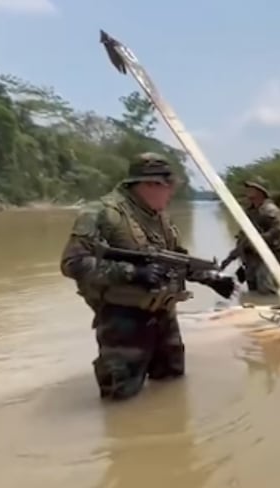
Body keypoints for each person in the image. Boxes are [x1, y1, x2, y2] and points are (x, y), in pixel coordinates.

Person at [60, 152, 232, 400]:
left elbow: (177, 258)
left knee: (172, 391)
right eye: (169, 186)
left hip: (164, 317)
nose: (171, 193)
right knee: (121, 402)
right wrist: (133, 273)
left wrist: (211, 278)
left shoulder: (159, 217)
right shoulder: (100, 213)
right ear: (150, 184)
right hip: (123, 322)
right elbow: (72, 263)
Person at [220, 177, 280, 295]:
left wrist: (258, 240)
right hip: (252, 256)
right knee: (252, 287)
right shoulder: (250, 212)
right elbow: (244, 237)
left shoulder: (270, 211)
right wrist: (230, 258)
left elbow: (279, 232)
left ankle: (272, 310)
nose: (247, 190)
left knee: (266, 287)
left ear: (260, 191)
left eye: (251, 188)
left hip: (271, 254)